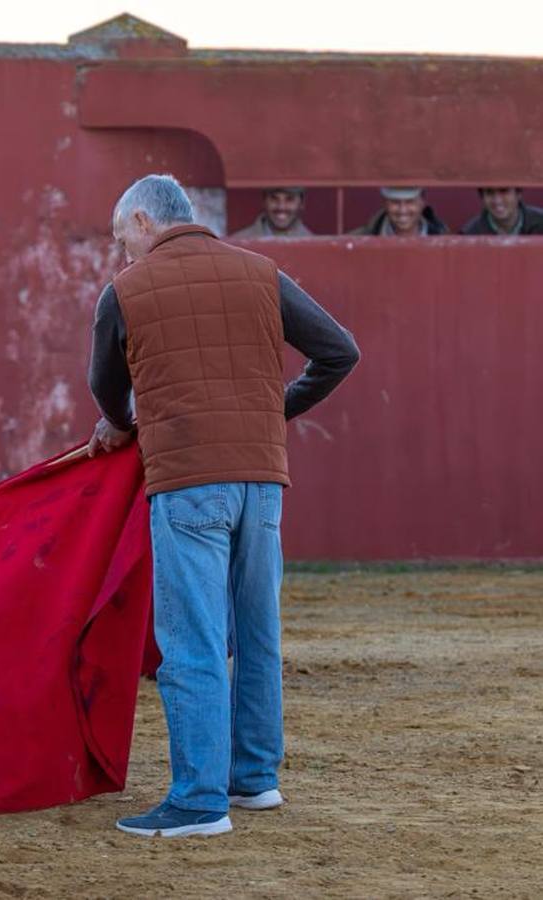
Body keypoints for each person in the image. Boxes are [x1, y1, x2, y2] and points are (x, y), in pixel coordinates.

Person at [86, 174, 360, 838]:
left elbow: (103, 386)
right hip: (261, 481)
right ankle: (253, 780)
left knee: (193, 640)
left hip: (186, 479)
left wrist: (121, 424)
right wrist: (272, 412)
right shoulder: (260, 271)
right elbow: (338, 352)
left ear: (146, 221)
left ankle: (198, 800)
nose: (122, 253)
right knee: (255, 630)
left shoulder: (124, 291)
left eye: (123, 237)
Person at [352, 187, 448, 236]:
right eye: (395, 202)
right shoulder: (357, 240)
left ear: (422, 202)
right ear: (385, 203)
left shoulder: (444, 239)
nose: (402, 210)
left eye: (410, 201)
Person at [229, 187, 312, 238]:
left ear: (301, 203)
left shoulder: (313, 245)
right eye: (274, 198)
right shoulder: (238, 244)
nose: (281, 207)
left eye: (289, 199)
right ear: (264, 201)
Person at [460, 187, 543, 235]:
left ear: (518, 194)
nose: (497, 201)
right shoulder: (470, 234)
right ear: (482, 198)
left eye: (504, 191)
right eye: (489, 192)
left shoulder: (541, 222)